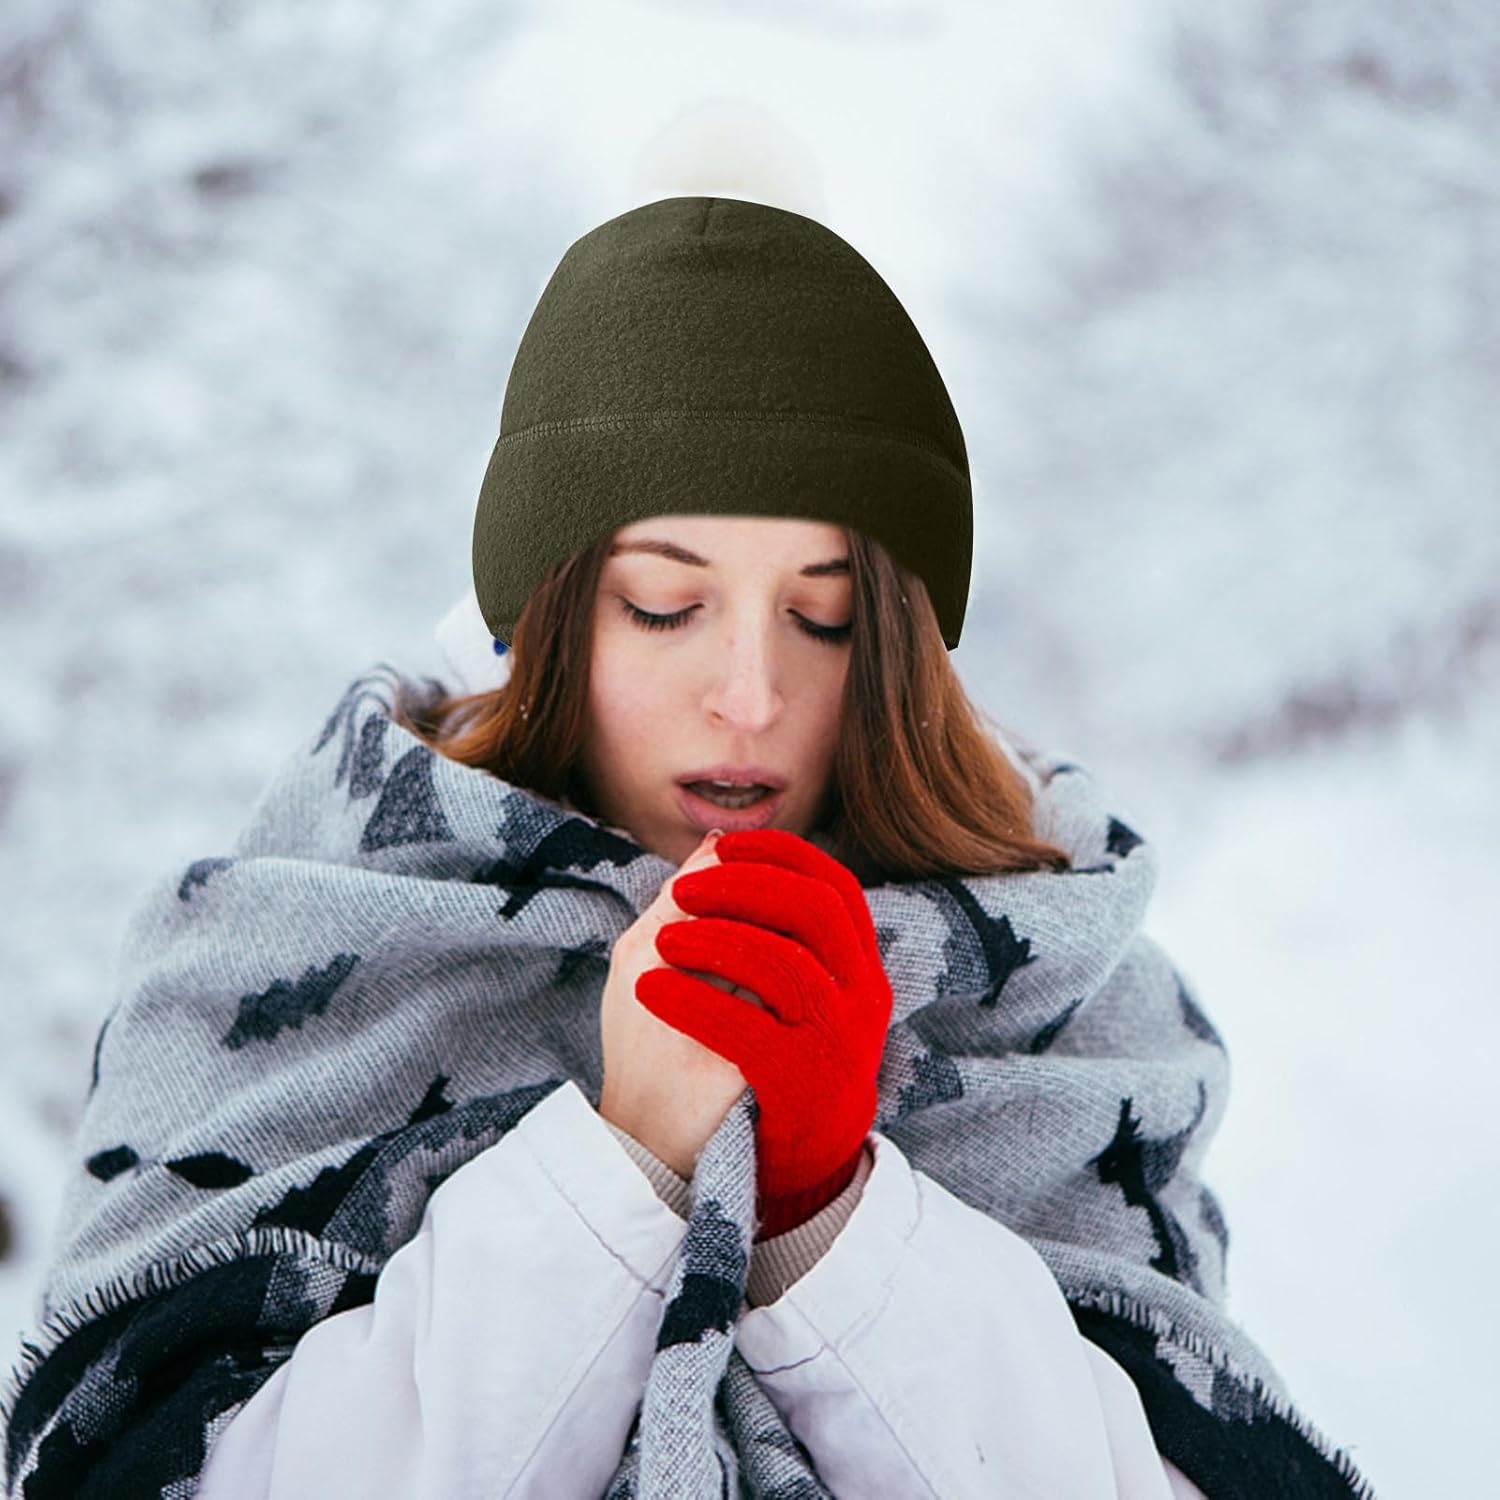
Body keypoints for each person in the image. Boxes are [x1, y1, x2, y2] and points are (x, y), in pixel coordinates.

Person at [1, 196, 1375, 1499]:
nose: (751, 695)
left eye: (824, 617)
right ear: (543, 618)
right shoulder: (285, 937)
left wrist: (833, 1219)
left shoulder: (1063, 989)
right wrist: (628, 1163)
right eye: (665, 605)